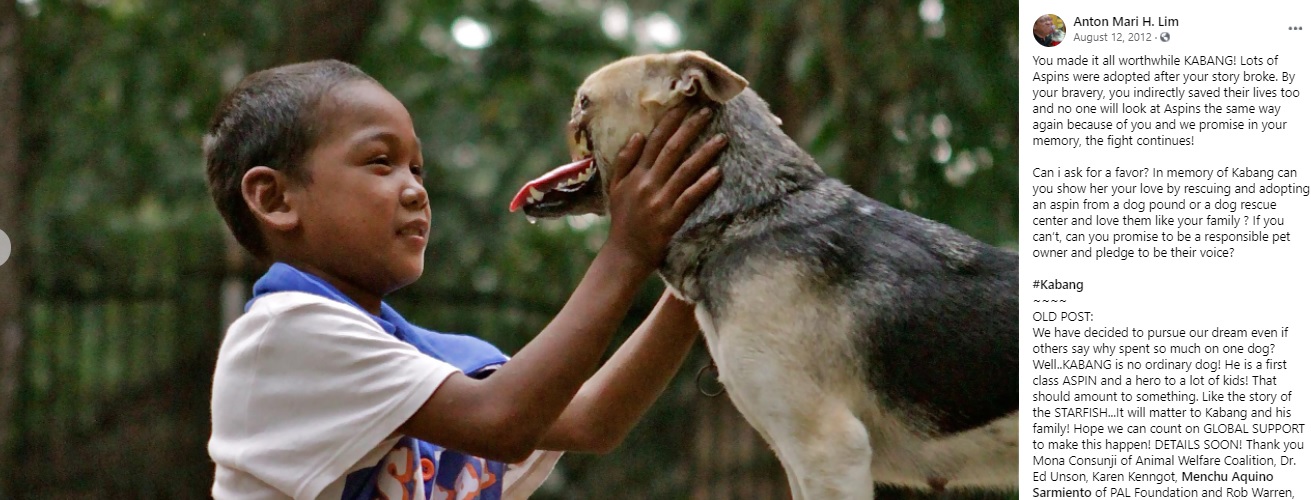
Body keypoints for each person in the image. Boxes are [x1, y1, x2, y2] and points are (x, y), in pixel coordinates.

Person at [203, 59, 726, 499]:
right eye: (380, 162)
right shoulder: (285, 333)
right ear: (275, 199)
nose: (414, 190)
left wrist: (699, 260)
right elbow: (504, 419)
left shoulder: (422, 359)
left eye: (417, 169)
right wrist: (628, 249)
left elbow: (593, 419)